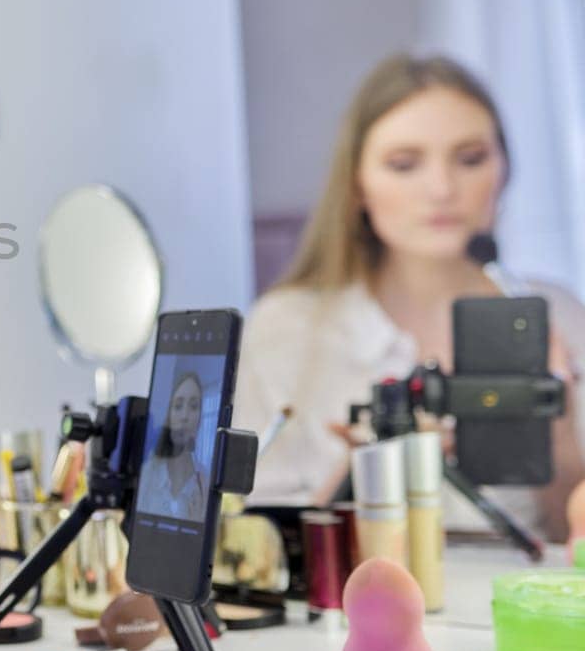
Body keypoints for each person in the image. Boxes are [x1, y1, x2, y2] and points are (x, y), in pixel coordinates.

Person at [234, 54, 585, 541]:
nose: (441, 189)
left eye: (470, 159)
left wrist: (559, 431)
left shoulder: (560, 316)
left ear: (505, 169)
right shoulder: (286, 328)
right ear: (357, 184)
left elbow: (568, 543)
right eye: (404, 165)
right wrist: (363, 473)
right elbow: (260, 544)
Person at [138, 371, 209, 521]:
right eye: (178, 406)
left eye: (194, 406)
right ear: (168, 416)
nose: (185, 416)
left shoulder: (206, 484)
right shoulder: (147, 474)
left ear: (200, 418)